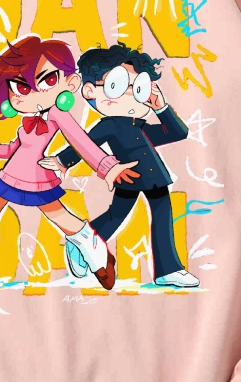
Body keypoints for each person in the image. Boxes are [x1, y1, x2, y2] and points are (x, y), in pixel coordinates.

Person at [0, 35, 140, 291]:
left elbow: (81, 141)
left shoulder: (57, 114)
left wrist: (107, 166)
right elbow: (15, 148)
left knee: (61, 217)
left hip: (36, 178)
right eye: (21, 87)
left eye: (48, 81)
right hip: (11, 174)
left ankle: (100, 258)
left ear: (69, 83)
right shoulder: (27, 120)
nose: (33, 93)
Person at [42, 43, 199, 288]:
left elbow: (178, 133)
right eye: (117, 85)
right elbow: (86, 145)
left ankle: (168, 270)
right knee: (117, 216)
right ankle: (82, 243)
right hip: (128, 177)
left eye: (137, 88)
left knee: (157, 215)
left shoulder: (140, 125)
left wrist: (161, 107)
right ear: (90, 91)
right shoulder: (109, 125)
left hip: (156, 178)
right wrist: (62, 161)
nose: (129, 95)